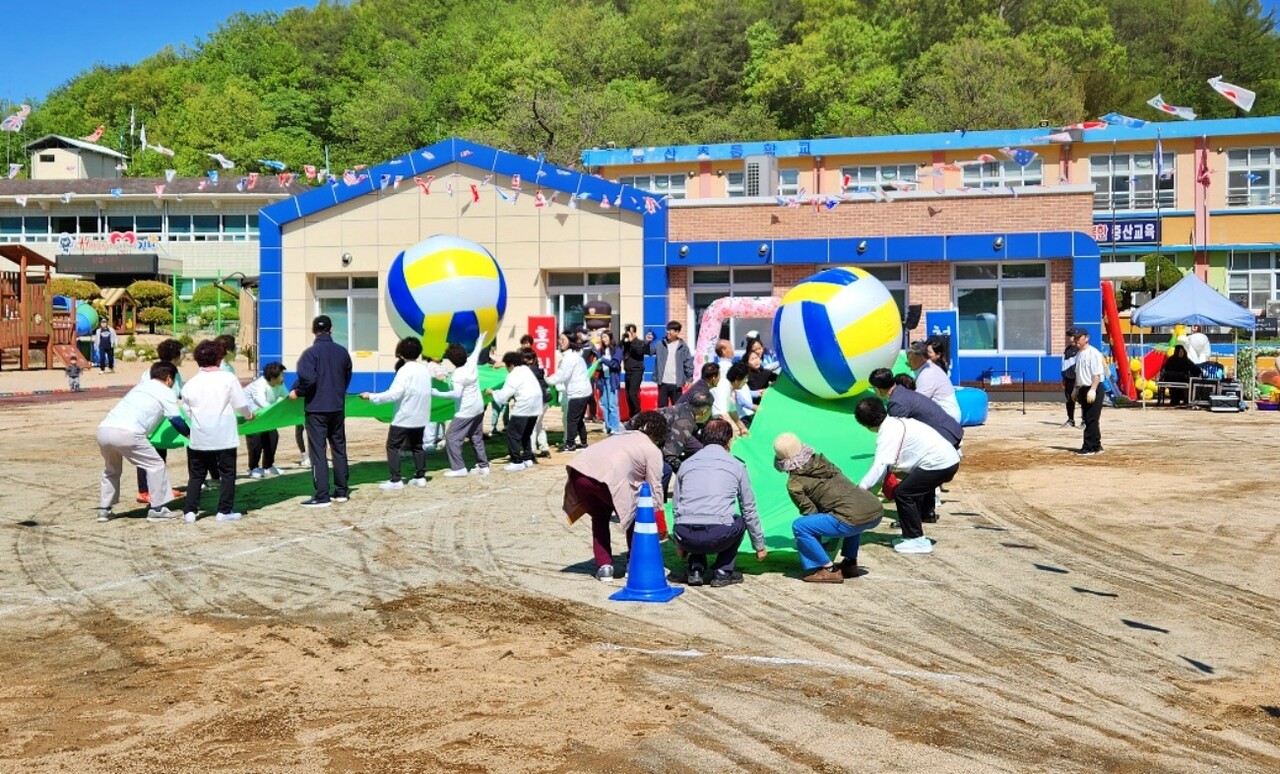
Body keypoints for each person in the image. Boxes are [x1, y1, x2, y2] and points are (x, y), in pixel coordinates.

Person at [562, 411, 668, 580]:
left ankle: (604, 567)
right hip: (607, 481)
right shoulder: (651, 449)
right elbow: (655, 486)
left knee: (599, 517)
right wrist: (660, 521)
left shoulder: (618, 436)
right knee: (634, 514)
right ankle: (634, 564)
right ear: (660, 434)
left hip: (578, 475)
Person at [854, 397, 960, 555]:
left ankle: (916, 540)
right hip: (947, 459)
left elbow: (879, 466)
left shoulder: (888, 433)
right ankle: (911, 534)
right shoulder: (895, 422)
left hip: (940, 465)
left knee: (903, 493)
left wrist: (861, 489)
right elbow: (885, 464)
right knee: (909, 490)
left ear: (866, 425)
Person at [775, 432, 884, 583]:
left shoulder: (795, 483)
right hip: (874, 508)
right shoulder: (823, 462)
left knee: (800, 526)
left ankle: (828, 569)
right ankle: (850, 563)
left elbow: (810, 513)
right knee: (851, 509)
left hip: (853, 518)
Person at [672, 419, 766, 587]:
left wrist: (679, 543)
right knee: (740, 521)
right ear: (729, 441)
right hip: (718, 535)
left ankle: (696, 568)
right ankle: (723, 571)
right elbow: (748, 509)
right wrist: (759, 546)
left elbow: (676, 506)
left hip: (686, 535)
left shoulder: (686, 464)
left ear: (703, 439)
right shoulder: (736, 465)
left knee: (696, 515)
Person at [96, 361, 189, 523]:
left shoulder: (139, 388)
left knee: (111, 470)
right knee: (156, 465)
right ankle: (158, 509)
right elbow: (175, 419)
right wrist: (191, 435)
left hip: (104, 430)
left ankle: (104, 510)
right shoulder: (166, 392)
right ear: (169, 379)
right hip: (128, 433)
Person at [181, 339, 255, 522]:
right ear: (219, 358)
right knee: (228, 474)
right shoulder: (228, 378)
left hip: (200, 434)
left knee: (196, 475)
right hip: (224, 434)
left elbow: (187, 411)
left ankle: (190, 511)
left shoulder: (190, 384)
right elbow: (240, 404)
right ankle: (224, 511)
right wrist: (249, 415)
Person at [289, 315, 353, 507]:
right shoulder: (342, 352)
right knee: (339, 448)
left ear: (313, 330)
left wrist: (297, 392)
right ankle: (342, 491)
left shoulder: (310, 354)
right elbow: (346, 377)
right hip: (337, 407)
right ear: (331, 330)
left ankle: (322, 495)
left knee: (318, 451)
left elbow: (308, 379)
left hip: (316, 408)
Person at [361, 337, 432, 490]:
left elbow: (394, 394)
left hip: (404, 416)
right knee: (417, 446)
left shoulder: (404, 371)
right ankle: (420, 477)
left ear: (402, 353)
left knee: (392, 446)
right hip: (421, 415)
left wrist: (371, 396)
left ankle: (396, 480)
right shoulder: (424, 370)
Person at [136, 338, 186, 504]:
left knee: (160, 451)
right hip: (151, 416)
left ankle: (159, 488)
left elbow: (180, 393)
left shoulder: (172, 371)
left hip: (161, 417)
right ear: (175, 354)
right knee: (149, 453)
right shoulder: (160, 372)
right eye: (182, 352)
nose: (184, 355)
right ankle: (144, 491)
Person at [868, 368, 963, 449]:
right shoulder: (902, 391)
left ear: (877, 389)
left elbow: (900, 435)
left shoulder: (896, 403)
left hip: (946, 440)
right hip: (953, 431)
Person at [436, 340, 491, 477]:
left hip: (465, 411)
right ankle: (483, 466)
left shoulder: (457, 375)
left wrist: (436, 393)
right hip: (478, 407)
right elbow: (477, 351)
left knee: (452, 437)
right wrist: (480, 340)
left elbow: (456, 394)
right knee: (476, 436)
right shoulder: (471, 363)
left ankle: (458, 468)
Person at [487, 351, 544, 471]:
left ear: (511, 365)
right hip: (536, 405)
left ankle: (517, 461)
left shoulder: (513, 375)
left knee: (512, 434)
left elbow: (503, 396)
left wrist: (492, 392)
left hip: (524, 406)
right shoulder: (526, 370)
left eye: (506, 367)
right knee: (526, 433)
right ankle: (528, 458)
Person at [656, 390, 714, 496]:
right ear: (705, 411)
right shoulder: (685, 422)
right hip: (635, 442)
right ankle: (656, 500)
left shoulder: (685, 408)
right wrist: (688, 478)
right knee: (666, 469)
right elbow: (670, 456)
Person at [548, 332, 592, 452]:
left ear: (570, 341)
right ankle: (583, 442)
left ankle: (570, 444)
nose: (560, 342)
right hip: (584, 391)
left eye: (563, 339)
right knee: (578, 419)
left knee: (571, 420)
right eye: (559, 339)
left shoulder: (570, 358)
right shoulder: (575, 355)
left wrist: (547, 380)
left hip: (578, 393)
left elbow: (562, 375)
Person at [244, 361, 288, 478]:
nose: (283, 378)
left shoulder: (280, 384)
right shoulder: (259, 385)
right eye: (281, 375)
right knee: (256, 440)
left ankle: (268, 466)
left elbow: (287, 398)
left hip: (267, 415)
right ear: (273, 378)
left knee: (273, 437)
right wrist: (276, 413)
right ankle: (253, 468)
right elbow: (261, 403)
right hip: (253, 416)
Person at [905, 340, 961, 423]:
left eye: (911, 360)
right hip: (943, 415)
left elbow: (917, 402)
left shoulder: (927, 374)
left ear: (920, 359)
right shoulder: (927, 369)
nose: (908, 363)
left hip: (947, 418)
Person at [1071, 327, 1105, 455]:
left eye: (1079, 338)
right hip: (1083, 388)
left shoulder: (1093, 353)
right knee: (1088, 417)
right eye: (1075, 338)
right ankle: (1096, 445)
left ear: (1086, 338)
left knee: (1091, 418)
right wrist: (1075, 389)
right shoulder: (1079, 354)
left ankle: (1088, 447)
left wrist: (1093, 390)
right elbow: (1078, 374)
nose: (1076, 341)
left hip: (1093, 387)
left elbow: (1096, 374)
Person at [650, 320, 693, 407]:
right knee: (662, 409)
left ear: (677, 332)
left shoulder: (683, 346)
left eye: (670, 330)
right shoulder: (660, 344)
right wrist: (648, 341)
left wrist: (689, 378)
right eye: (667, 329)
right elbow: (649, 351)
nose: (668, 332)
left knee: (678, 408)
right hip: (663, 383)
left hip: (676, 384)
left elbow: (688, 363)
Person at [522, 347, 553, 456]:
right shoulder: (537, 368)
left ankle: (532, 450)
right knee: (538, 424)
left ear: (530, 360)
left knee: (533, 425)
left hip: (539, 400)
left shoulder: (530, 370)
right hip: (544, 399)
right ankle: (544, 447)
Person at [594, 330, 624, 434]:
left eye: (606, 337)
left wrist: (604, 360)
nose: (604, 339)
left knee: (612, 405)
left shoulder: (617, 350)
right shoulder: (600, 351)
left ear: (610, 338)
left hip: (612, 380)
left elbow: (615, 365)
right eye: (602, 337)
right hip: (603, 380)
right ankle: (608, 426)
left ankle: (615, 427)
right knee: (604, 404)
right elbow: (597, 366)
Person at [713, 361, 751, 437]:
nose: (746, 381)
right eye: (745, 378)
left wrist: (742, 428)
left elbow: (732, 411)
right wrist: (735, 432)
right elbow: (722, 415)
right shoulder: (723, 388)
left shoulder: (728, 386)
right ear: (736, 380)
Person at [622, 324, 647, 417]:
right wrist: (624, 341)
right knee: (628, 395)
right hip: (627, 372)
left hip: (637, 371)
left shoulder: (640, 342)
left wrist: (632, 341)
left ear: (635, 332)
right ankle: (631, 416)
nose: (629, 334)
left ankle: (637, 415)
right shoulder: (626, 343)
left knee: (633, 394)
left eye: (631, 332)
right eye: (628, 332)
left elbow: (640, 352)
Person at [1061, 330, 1079, 427]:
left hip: (1078, 379)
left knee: (1082, 400)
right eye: (1069, 336)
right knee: (1069, 400)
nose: (1070, 338)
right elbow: (1064, 364)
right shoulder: (1067, 349)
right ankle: (1070, 419)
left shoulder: (1080, 349)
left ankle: (1084, 420)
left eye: (1071, 336)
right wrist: (1063, 377)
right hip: (1068, 379)